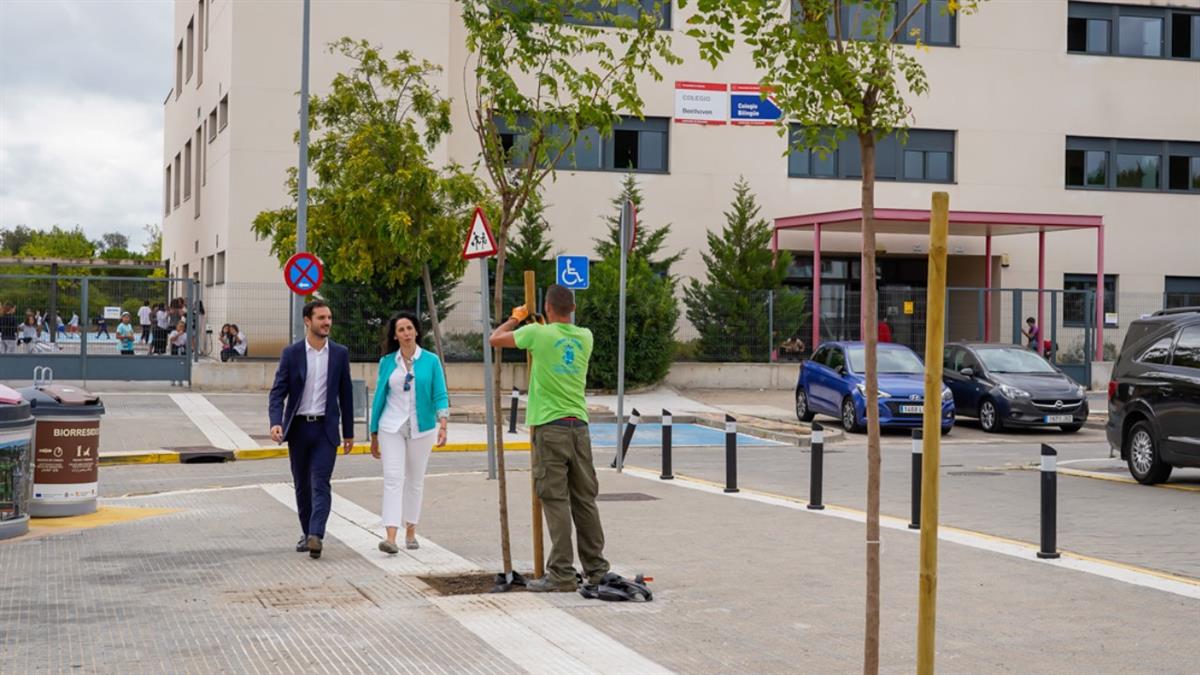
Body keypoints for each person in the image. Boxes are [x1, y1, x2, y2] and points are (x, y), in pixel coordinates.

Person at [488, 284, 610, 592]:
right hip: (579, 427)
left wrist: (516, 318)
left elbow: (495, 339)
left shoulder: (537, 334)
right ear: (573, 309)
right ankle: (596, 569)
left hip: (549, 426)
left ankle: (562, 575)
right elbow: (558, 333)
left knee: (555, 499)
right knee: (585, 500)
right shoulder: (586, 337)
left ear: (546, 307)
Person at [268, 300, 355, 560]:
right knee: (302, 486)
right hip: (298, 430)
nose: (327, 322)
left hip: (325, 430)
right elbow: (278, 392)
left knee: (320, 483)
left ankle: (317, 533)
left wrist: (348, 432)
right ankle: (308, 534)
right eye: (321, 318)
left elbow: (346, 394)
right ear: (308, 321)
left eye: (329, 317)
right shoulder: (292, 353)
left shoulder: (339, 353)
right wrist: (276, 422)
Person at [368, 311, 450, 554]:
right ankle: (390, 536)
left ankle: (411, 530)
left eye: (409, 328)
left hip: (422, 427)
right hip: (390, 426)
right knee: (393, 479)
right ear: (395, 335)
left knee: (414, 480)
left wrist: (443, 423)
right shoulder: (386, 362)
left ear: (416, 332)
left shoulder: (431, 361)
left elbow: (440, 393)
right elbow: (379, 398)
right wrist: (373, 433)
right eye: (400, 329)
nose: (405, 333)